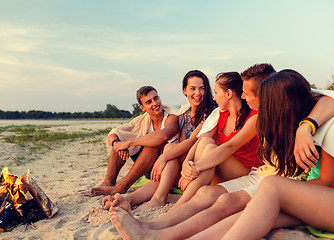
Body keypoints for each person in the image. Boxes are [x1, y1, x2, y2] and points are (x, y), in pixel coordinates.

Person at [106, 64, 334, 240]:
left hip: (319, 195)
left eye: (248, 93)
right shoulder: (284, 120)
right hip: (281, 183)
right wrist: (193, 165)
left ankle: (158, 233)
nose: (243, 96)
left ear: (275, 102)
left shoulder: (324, 125)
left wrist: (307, 127)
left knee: (250, 197)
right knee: (221, 200)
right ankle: (155, 232)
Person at [214, 69, 334, 240]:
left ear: (283, 106)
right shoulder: (309, 121)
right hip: (323, 200)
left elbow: (327, 182)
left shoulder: (333, 126)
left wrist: (271, 195)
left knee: (271, 186)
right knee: (252, 215)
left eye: (269, 106)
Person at [102, 70, 215, 210]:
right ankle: (128, 199)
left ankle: (158, 199)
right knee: (163, 171)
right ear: (185, 90)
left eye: (202, 88)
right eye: (192, 88)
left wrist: (163, 158)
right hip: (183, 163)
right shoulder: (184, 114)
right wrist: (118, 143)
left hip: (201, 163)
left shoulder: (208, 112)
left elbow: (190, 141)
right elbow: (116, 132)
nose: (197, 93)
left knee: (168, 149)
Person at [169, 71, 263, 211]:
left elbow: (230, 147)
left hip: (245, 173)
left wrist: (196, 167)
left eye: (217, 92)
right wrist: (186, 165)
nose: (214, 98)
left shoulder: (253, 117)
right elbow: (200, 140)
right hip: (220, 173)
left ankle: (179, 205)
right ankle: (185, 201)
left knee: (211, 149)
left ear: (229, 94)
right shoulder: (221, 115)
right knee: (207, 141)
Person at [88, 86, 179, 196]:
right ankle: (108, 182)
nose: (155, 103)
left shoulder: (172, 117)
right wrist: (117, 143)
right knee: (120, 140)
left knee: (152, 145)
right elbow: (115, 132)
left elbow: (163, 136)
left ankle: (121, 187)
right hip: (149, 168)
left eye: (156, 98)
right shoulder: (142, 120)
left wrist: (129, 143)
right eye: (149, 102)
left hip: (167, 168)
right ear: (142, 107)